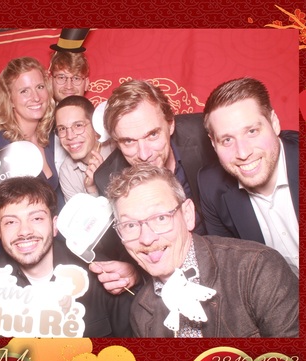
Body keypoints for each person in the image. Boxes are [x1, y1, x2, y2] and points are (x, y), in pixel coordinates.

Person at [106, 164, 299, 337]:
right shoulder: (141, 312)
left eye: (161, 218)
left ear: (188, 215)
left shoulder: (257, 269)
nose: (146, 238)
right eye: (130, 225)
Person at [90, 79, 217, 294]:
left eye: (152, 135)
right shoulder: (107, 177)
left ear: (171, 124)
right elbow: (133, 245)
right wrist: (134, 272)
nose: (144, 154)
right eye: (128, 141)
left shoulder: (204, 134)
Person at [0, 176, 133, 337]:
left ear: (54, 225)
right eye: (10, 222)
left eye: (36, 218)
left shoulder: (103, 274)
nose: (24, 231)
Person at [0, 56, 62, 265]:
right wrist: (8, 235)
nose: (35, 97)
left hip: (38, 251)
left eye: (40, 87)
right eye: (24, 91)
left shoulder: (51, 140)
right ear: (9, 99)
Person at [198, 77, 299, 277]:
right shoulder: (211, 186)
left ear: (274, 123)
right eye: (227, 140)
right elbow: (230, 267)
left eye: (252, 131)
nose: (243, 153)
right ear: (213, 143)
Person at [55, 95, 115, 201]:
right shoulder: (67, 172)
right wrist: (92, 189)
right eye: (62, 129)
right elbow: (81, 212)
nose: (70, 136)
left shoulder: (117, 149)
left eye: (78, 125)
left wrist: (103, 178)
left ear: (95, 126)